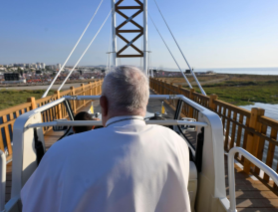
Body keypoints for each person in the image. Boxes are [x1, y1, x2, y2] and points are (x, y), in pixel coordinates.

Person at [21, 66, 190, 212]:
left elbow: (33, 204)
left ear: (103, 104)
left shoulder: (61, 152)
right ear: (144, 102)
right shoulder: (176, 143)